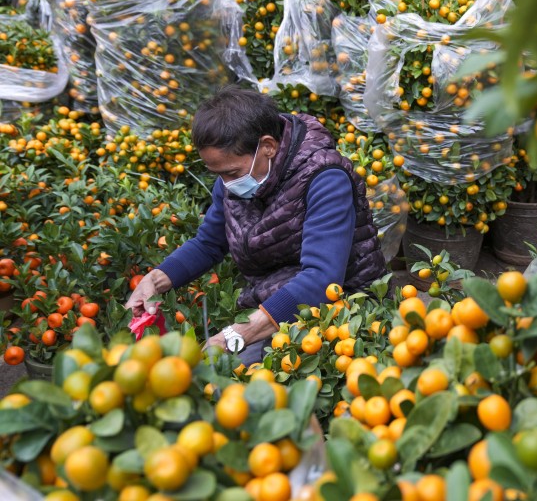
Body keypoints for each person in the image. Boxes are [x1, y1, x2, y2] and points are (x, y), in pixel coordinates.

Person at [126, 86, 387, 363]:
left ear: (268, 147)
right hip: (272, 300)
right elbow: (209, 243)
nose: (225, 184)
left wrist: (235, 335)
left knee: (230, 382)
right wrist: (154, 280)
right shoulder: (238, 179)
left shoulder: (325, 179)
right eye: (217, 174)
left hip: (341, 309)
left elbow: (321, 278)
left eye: (231, 173)